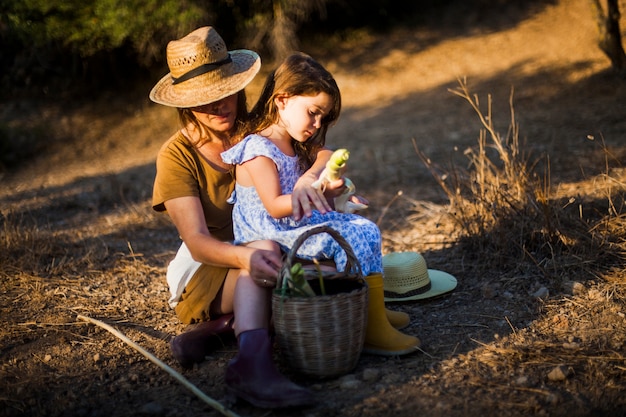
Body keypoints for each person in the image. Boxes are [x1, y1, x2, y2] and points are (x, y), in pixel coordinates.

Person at [149, 27, 338, 409]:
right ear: (184, 105)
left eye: (227, 92)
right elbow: (199, 242)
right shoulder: (176, 156)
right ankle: (251, 367)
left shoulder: (253, 128)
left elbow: (320, 150)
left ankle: (225, 329)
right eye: (206, 100)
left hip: (263, 246)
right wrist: (247, 257)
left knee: (316, 261)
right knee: (270, 255)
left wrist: (310, 176)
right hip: (211, 265)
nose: (221, 106)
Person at [221, 52, 421, 356]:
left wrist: (315, 181)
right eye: (313, 112)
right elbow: (275, 206)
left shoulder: (295, 141)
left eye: (322, 118)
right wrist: (318, 196)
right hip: (269, 233)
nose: (316, 124)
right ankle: (369, 324)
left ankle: (372, 310)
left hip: (291, 225)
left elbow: (327, 154)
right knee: (352, 236)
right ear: (282, 100)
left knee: (364, 229)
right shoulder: (258, 149)